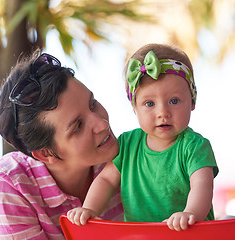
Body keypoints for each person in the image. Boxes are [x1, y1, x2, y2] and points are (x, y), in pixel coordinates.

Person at [67, 43, 219, 231]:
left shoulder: (194, 146)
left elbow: (202, 185)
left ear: (192, 101)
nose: (163, 112)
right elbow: (105, 180)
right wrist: (89, 208)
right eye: (149, 103)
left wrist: (190, 213)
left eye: (174, 101)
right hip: (141, 235)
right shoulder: (128, 144)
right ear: (135, 108)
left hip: (190, 233)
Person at [0, 51, 123, 240]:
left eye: (93, 103)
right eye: (78, 126)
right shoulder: (11, 185)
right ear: (46, 154)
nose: (103, 124)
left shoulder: (131, 155)